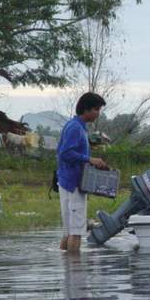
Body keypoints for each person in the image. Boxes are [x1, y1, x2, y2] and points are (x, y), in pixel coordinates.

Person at [57, 93, 108, 252]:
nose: (98, 113)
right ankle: (76, 273)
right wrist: (90, 159)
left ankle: (68, 269)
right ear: (86, 109)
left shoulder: (75, 126)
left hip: (67, 182)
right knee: (77, 232)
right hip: (73, 185)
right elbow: (65, 153)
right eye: (96, 109)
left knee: (69, 231)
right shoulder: (75, 128)